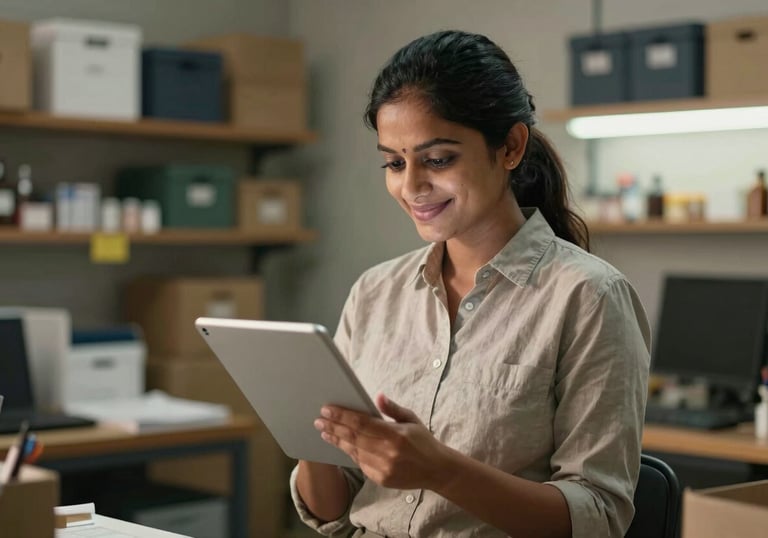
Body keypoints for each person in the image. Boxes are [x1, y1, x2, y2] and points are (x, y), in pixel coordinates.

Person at [290, 30, 650, 538]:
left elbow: (598, 517)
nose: (411, 185)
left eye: (437, 159)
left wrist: (441, 470)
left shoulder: (589, 297)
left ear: (510, 147)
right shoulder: (374, 293)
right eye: (394, 162)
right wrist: (308, 432)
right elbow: (333, 510)